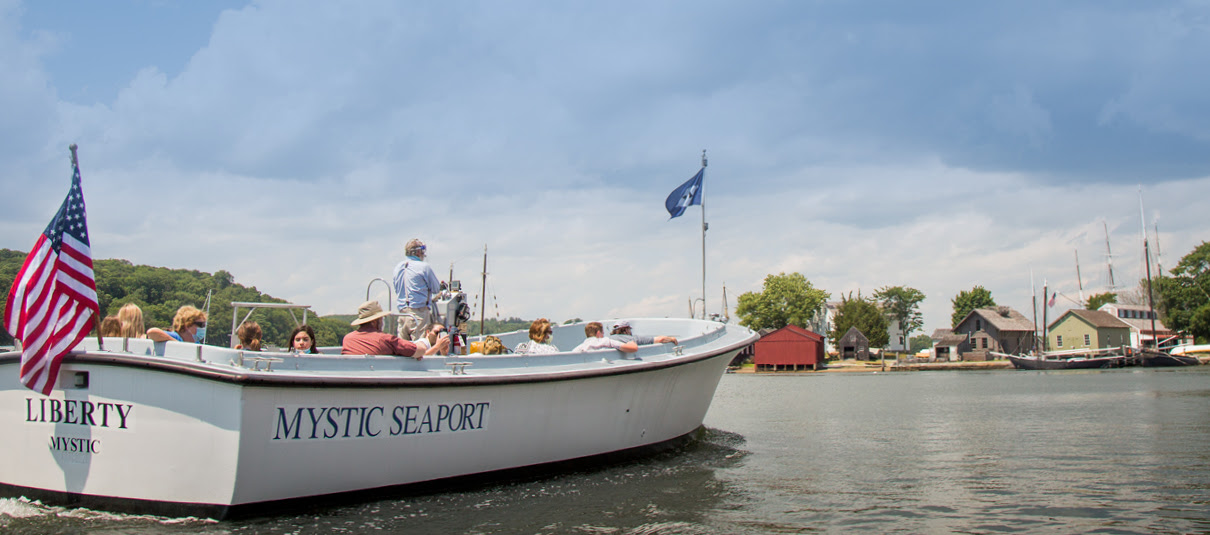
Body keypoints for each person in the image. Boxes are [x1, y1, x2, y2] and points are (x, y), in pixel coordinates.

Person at [392, 238, 442, 341]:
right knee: (421, 348)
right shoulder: (424, 267)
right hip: (419, 314)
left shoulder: (398, 267)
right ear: (419, 252)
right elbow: (436, 288)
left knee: (403, 349)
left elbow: (397, 288)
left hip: (402, 314)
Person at [341, 300, 421, 358]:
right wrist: (425, 343)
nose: (382, 321)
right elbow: (418, 351)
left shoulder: (348, 339)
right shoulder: (385, 339)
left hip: (351, 379)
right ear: (375, 321)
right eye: (381, 318)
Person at [572, 322, 638, 354]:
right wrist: (631, 343)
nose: (603, 334)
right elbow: (633, 348)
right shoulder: (606, 341)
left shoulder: (581, 347)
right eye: (603, 333)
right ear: (598, 333)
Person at [609, 320, 677, 346]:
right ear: (626, 330)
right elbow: (660, 339)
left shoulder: (608, 339)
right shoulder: (634, 339)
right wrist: (672, 339)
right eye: (629, 329)